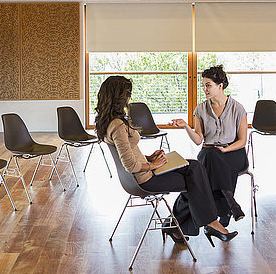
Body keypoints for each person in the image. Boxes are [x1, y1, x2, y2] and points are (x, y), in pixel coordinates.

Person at [95, 75, 237, 246]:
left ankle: (176, 227)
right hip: (146, 180)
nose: (129, 98)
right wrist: (152, 165)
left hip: (143, 173)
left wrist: (150, 157)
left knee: (194, 166)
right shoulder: (118, 126)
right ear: (119, 97)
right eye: (127, 94)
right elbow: (130, 165)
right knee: (195, 178)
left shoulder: (109, 123)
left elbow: (126, 154)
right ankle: (211, 223)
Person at [170, 65, 248, 227]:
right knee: (211, 155)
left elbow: (242, 141)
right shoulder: (200, 109)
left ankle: (214, 212)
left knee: (208, 164)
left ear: (220, 86)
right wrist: (186, 126)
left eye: (208, 85)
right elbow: (199, 140)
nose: (204, 89)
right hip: (210, 153)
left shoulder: (237, 108)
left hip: (233, 152)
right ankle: (229, 204)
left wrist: (226, 149)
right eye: (203, 85)